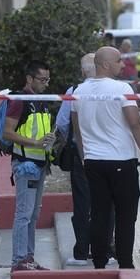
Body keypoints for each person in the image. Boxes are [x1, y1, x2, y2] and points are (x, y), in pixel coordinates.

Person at [72, 46, 140, 269]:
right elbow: (136, 124)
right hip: (121, 161)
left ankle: (99, 264)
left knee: (99, 214)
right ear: (106, 64)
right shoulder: (122, 88)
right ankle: (126, 265)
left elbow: (77, 131)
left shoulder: (78, 91)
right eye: (119, 61)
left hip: (93, 162)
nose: (123, 64)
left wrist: (84, 156)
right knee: (125, 216)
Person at [3, 60, 55, 271]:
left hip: (40, 163)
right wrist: (35, 143)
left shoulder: (41, 100)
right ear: (30, 79)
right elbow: (7, 132)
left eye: (47, 80)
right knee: (24, 213)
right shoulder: (19, 100)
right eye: (42, 80)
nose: (45, 84)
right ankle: (19, 260)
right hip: (26, 164)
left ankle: (28, 258)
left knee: (33, 214)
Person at [56, 53, 98, 266]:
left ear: (82, 71)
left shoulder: (74, 92)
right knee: (106, 203)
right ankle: (105, 249)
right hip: (109, 156)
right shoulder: (118, 90)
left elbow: (62, 123)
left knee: (82, 203)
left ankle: (82, 251)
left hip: (82, 155)